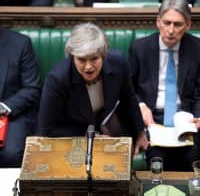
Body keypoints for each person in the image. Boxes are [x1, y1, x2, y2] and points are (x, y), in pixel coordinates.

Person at [38, 22, 148, 156]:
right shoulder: (57, 79)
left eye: (94, 59)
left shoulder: (119, 63)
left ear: (103, 55)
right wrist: (92, 137)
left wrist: (140, 132)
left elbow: (129, 98)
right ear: (73, 56)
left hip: (110, 125)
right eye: (82, 60)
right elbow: (46, 129)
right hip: (75, 132)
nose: (88, 66)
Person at [129, 0, 200, 171]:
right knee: (157, 158)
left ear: (188, 25)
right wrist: (140, 105)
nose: (171, 30)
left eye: (177, 24)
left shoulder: (197, 48)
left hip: (186, 120)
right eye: (167, 23)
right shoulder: (140, 48)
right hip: (153, 120)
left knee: (194, 158)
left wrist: (198, 118)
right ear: (158, 22)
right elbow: (127, 89)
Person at [0, 27, 41, 167]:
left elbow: (31, 89)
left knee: (10, 154)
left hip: (11, 112)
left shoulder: (20, 43)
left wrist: (2, 108)